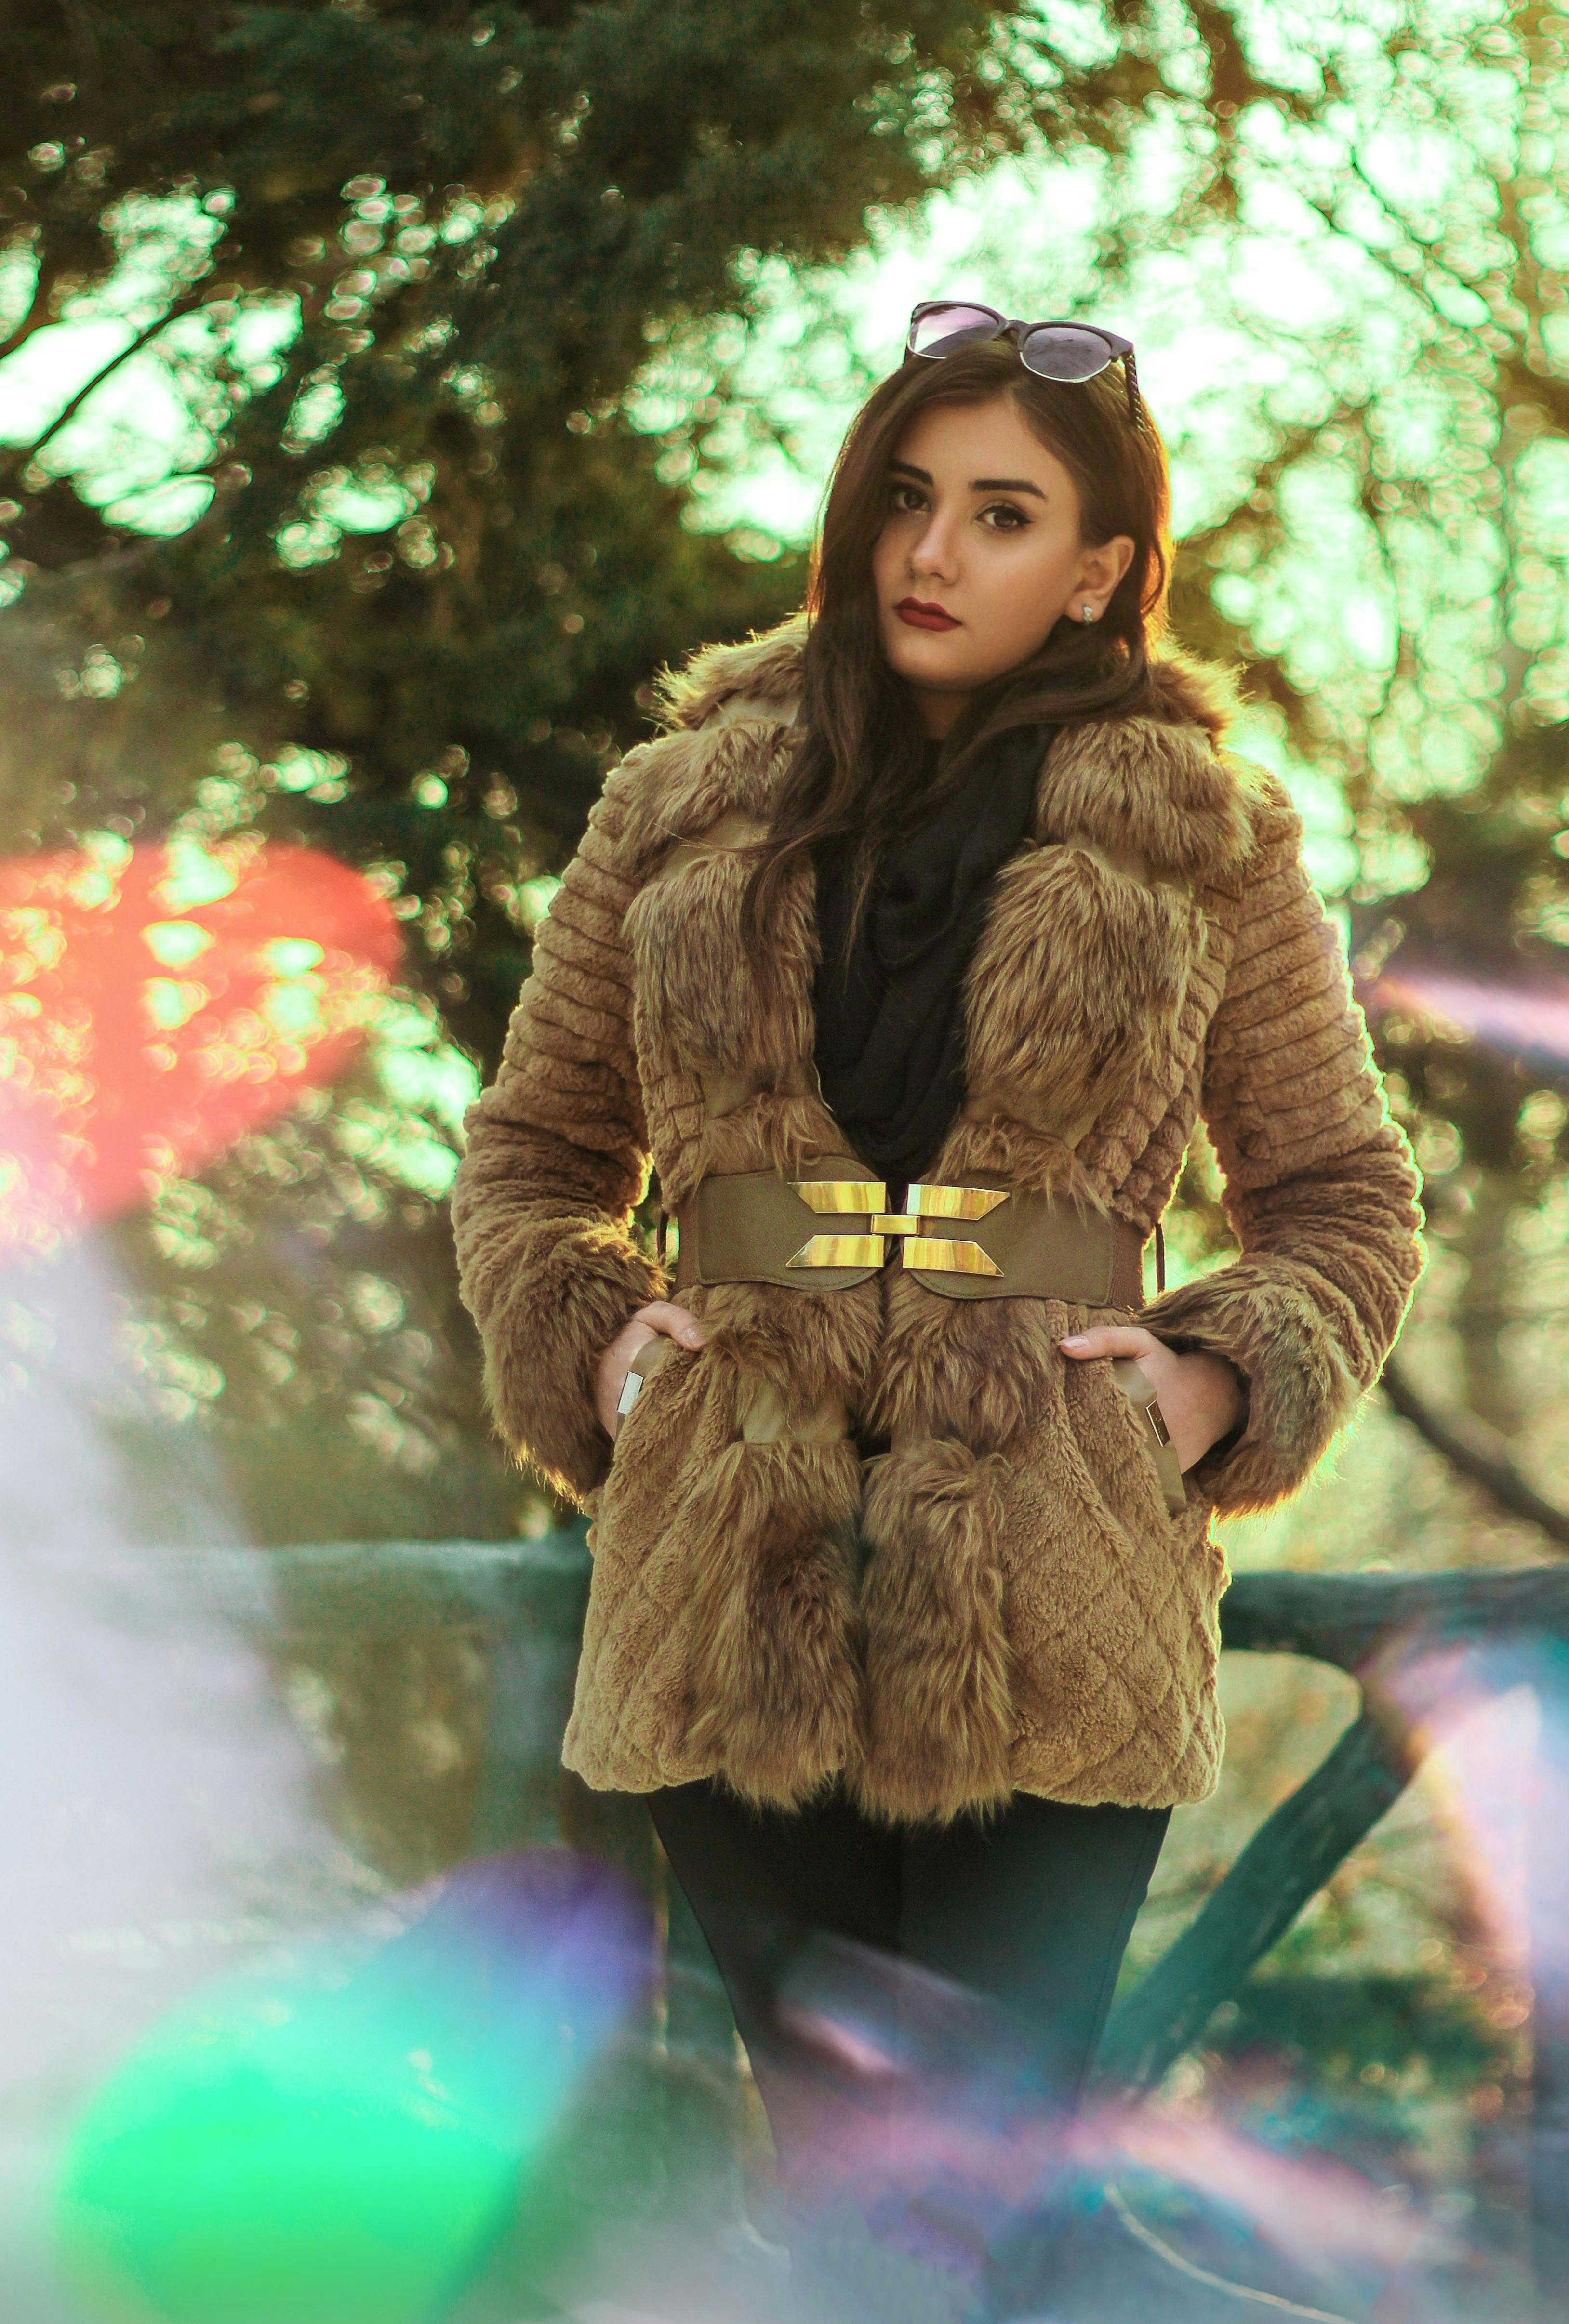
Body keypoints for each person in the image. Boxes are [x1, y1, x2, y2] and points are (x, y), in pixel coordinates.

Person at [450, 300, 1426, 2303]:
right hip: (731, 1557)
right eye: (906, 498)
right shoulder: (676, 805)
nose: (931, 551)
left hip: (1053, 1573)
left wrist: (1212, 1383)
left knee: (972, 2194)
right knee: (838, 2190)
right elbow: (535, 1156)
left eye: (1000, 515)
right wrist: (591, 1333)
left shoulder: (1212, 838)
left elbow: (1338, 1200)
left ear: (1096, 572)